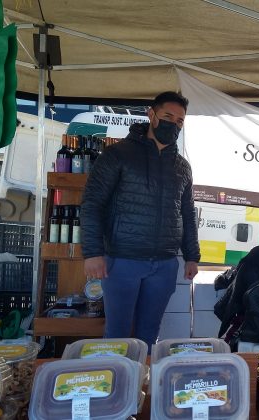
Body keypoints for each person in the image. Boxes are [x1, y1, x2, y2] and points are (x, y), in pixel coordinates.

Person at [81, 91, 200, 349]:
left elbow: (188, 213)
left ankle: (142, 386)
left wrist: (192, 255)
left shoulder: (182, 167)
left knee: (149, 336)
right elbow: (92, 204)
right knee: (117, 336)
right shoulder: (116, 155)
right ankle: (116, 385)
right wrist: (92, 252)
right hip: (122, 261)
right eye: (168, 116)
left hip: (165, 264)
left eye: (180, 121)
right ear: (151, 115)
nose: (174, 123)